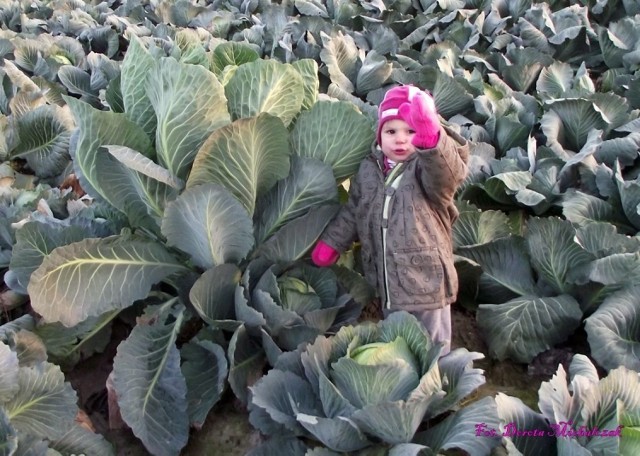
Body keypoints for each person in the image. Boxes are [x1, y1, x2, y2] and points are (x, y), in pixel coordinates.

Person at [310, 85, 469, 355]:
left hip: (426, 283)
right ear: (379, 135)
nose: (400, 139)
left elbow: (447, 177)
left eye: (411, 131)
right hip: (388, 282)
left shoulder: (424, 170)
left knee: (432, 349)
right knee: (398, 347)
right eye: (391, 131)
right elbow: (353, 211)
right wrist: (332, 243)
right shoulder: (369, 169)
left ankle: (437, 390)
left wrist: (431, 142)